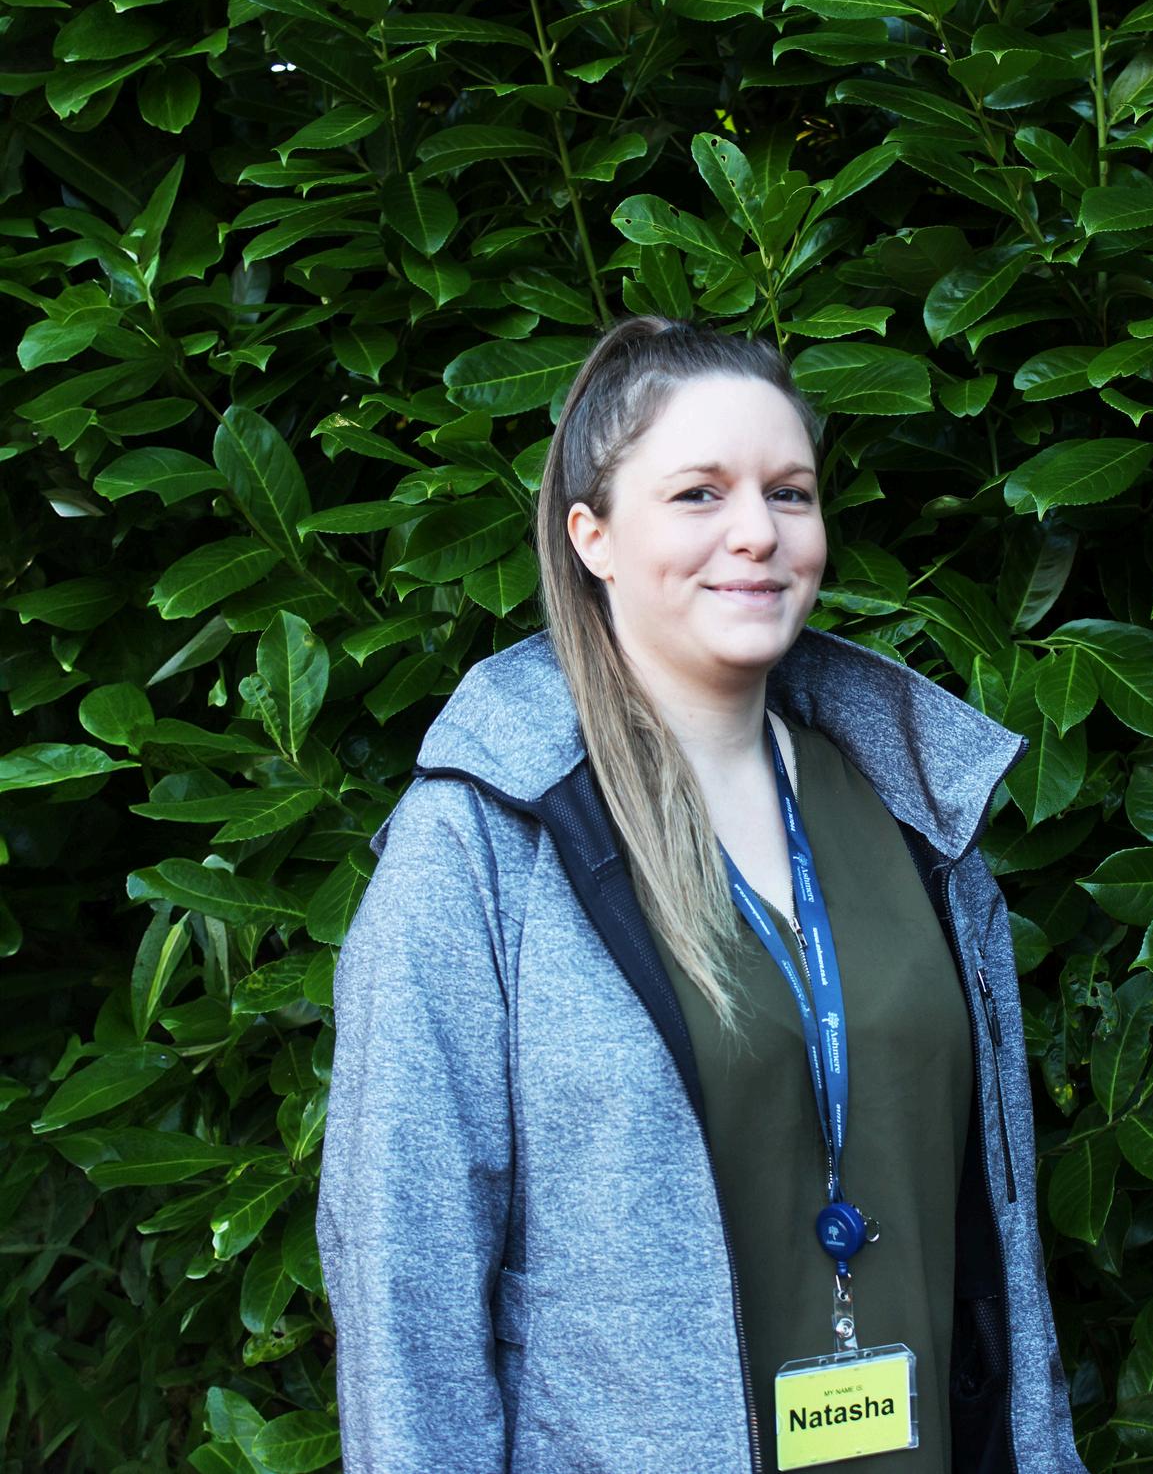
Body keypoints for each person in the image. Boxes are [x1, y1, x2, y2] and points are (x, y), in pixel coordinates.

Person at [316, 316, 1088, 1474]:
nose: (757, 531)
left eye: (790, 492)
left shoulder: (918, 811)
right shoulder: (478, 844)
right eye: (698, 493)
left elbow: (1006, 1253)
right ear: (592, 535)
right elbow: (403, 1279)